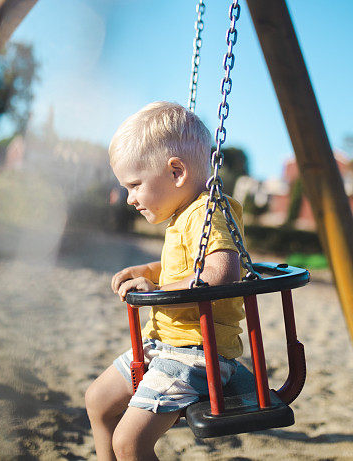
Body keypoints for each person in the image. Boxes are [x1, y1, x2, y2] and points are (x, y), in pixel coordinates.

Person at [85, 102, 247, 460]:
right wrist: (150, 271)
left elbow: (221, 272)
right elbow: (186, 267)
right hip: (165, 344)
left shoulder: (208, 210)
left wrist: (156, 291)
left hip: (198, 354)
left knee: (130, 442)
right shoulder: (183, 214)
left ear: (176, 172)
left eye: (134, 185)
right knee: (97, 400)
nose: (130, 198)